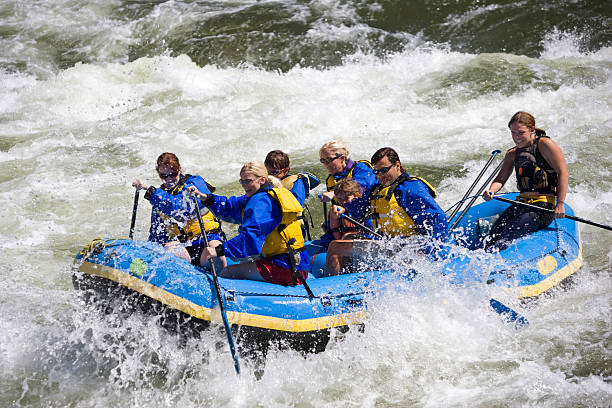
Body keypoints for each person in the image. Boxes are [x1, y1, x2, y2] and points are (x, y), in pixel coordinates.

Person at [325, 147, 448, 276]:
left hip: (406, 248)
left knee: (335, 248)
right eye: (376, 171)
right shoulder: (378, 189)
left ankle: (330, 292)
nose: (380, 175)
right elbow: (360, 210)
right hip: (388, 244)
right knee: (347, 238)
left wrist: (429, 254)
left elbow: (438, 220)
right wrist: (345, 203)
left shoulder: (410, 189)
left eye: (384, 170)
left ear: (397, 165)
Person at [188, 161, 310, 285]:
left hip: (287, 267)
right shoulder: (259, 195)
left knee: (227, 272)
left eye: (248, 181)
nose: (244, 185)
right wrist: (205, 197)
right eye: (242, 181)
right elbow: (230, 206)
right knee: (242, 260)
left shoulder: (263, 202)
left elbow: (251, 238)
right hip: (289, 262)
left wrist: (219, 250)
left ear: (262, 180)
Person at [483, 111, 568, 251]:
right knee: (492, 237)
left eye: (521, 132)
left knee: (505, 238)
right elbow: (501, 178)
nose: (516, 137)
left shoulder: (545, 144)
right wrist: (491, 190)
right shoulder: (512, 153)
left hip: (543, 207)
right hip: (521, 203)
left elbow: (562, 172)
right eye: (513, 132)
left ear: (532, 129)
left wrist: (560, 203)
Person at [131, 152, 224, 265]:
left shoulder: (195, 183)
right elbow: (157, 237)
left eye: (172, 174)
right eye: (164, 176)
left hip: (209, 240)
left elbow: (179, 208)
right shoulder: (160, 198)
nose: (169, 179)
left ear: (179, 169)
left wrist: (150, 189)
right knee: (170, 249)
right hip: (186, 248)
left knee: (215, 252)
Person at [264, 150, 321, 239]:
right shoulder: (266, 184)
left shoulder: (297, 182)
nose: (271, 176)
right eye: (268, 172)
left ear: (286, 170)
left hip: (292, 227)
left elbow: (296, 206)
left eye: (275, 173)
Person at [318, 140, 377, 221]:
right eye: (323, 161)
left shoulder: (361, 168)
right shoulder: (331, 180)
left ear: (342, 158)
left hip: (371, 219)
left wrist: (334, 193)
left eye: (329, 159)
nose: (326, 164)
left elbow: (359, 186)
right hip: (351, 221)